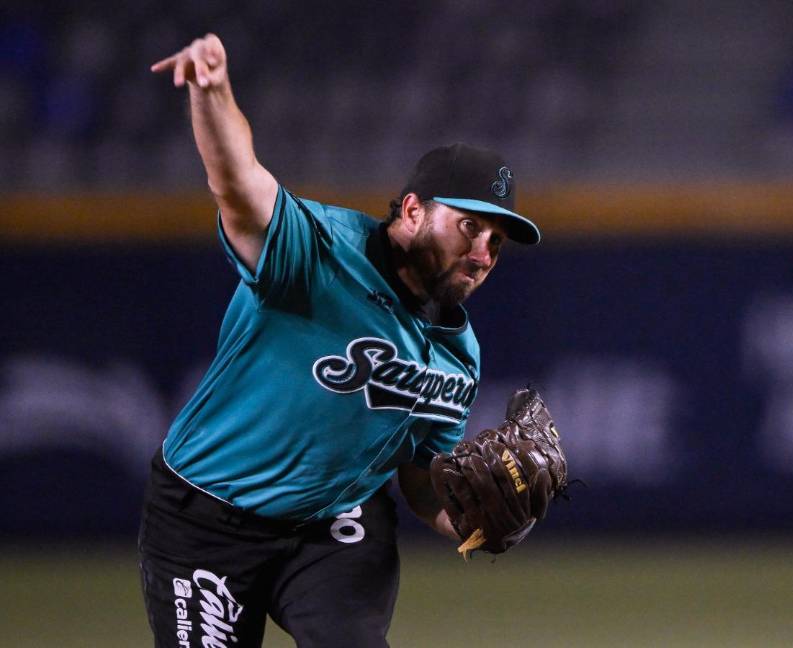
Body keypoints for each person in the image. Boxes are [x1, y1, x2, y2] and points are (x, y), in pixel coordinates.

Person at [139, 33, 542, 648]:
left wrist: (472, 520)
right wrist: (213, 91)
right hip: (204, 517)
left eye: (498, 240)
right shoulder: (318, 255)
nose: (484, 251)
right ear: (412, 211)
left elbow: (418, 478)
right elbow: (240, 188)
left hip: (335, 527)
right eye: (470, 225)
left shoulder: (460, 354)